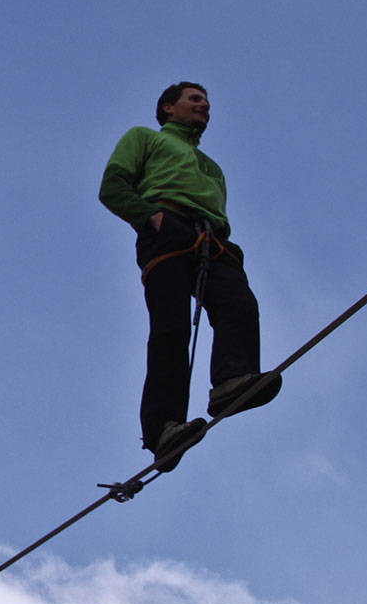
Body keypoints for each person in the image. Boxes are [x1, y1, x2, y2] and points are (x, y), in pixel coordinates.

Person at [99, 82, 280, 470]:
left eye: (207, 100)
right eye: (194, 99)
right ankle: (164, 428)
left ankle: (231, 381)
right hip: (167, 229)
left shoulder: (211, 167)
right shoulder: (143, 137)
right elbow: (112, 188)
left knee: (240, 305)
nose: (205, 105)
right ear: (168, 108)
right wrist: (151, 217)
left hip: (212, 237)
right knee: (171, 328)